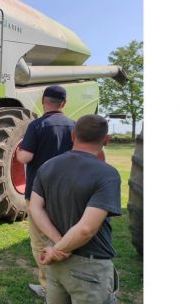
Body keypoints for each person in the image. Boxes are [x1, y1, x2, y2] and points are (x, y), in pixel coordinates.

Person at [28, 114, 121, 304]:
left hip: (57, 265)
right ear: (107, 140)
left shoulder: (47, 166)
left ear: (72, 135)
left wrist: (57, 246)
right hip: (90, 266)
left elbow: (35, 208)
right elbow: (86, 229)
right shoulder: (107, 174)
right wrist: (60, 249)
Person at [16, 85, 75, 298]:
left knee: (41, 240)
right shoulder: (74, 126)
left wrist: (19, 152)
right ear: (64, 103)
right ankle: (68, 284)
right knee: (66, 236)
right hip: (67, 194)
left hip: (38, 194)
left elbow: (25, 158)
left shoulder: (37, 125)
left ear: (43, 101)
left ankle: (48, 287)